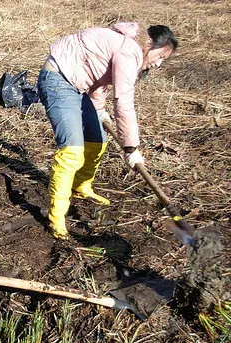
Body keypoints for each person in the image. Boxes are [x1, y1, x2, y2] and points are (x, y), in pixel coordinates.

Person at [36, 23, 177, 240]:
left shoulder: (127, 46)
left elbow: (98, 74)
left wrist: (99, 110)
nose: (158, 64)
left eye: (164, 61)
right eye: (160, 56)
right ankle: (56, 217)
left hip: (77, 83)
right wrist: (131, 147)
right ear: (150, 43)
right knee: (72, 151)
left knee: (97, 140)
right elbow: (123, 101)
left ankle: (81, 186)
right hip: (58, 80)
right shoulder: (130, 51)